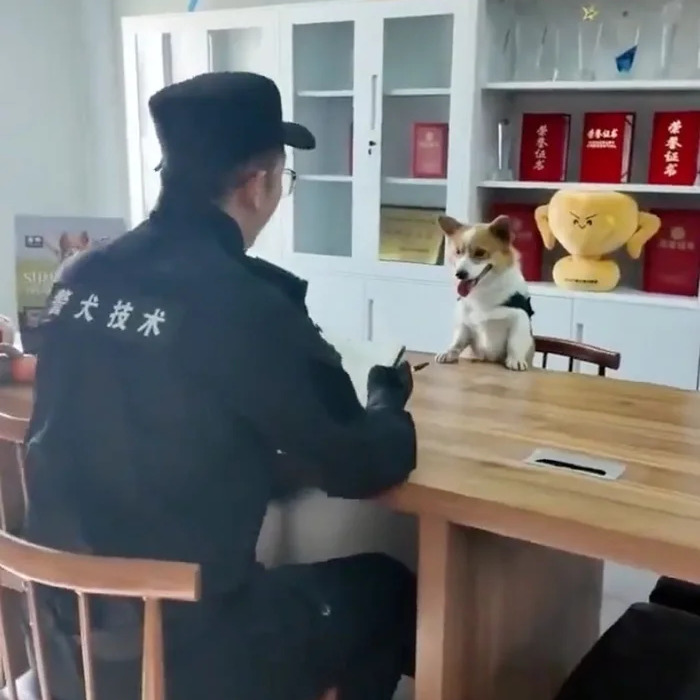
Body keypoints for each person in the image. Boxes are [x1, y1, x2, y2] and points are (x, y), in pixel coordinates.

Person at [22, 72, 417, 700]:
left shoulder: (81, 275)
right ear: (257, 185)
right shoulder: (246, 302)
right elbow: (360, 464)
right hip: (190, 657)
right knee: (387, 590)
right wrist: (388, 401)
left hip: (71, 648)